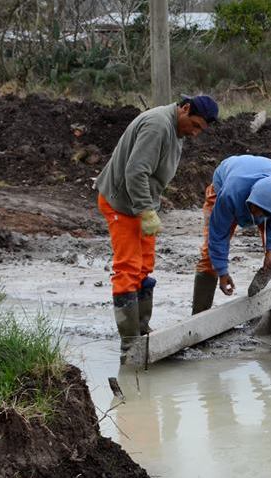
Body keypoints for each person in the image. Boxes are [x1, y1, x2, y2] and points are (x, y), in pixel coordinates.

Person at [96, 94, 218, 362]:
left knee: (144, 266)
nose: (196, 134)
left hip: (140, 204)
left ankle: (141, 330)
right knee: (128, 267)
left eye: (201, 130)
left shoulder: (176, 130)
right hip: (122, 203)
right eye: (195, 125)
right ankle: (131, 347)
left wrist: (149, 208)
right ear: (185, 109)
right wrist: (145, 211)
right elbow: (136, 172)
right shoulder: (157, 125)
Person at [191, 155, 271, 314]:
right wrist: (222, 271)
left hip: (266, 194)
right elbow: (218, 235)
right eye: (256, 210)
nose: (258, 217)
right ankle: (197, 319)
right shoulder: (230, 194)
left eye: (265, 214)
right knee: (210, 256)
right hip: (227, 184)